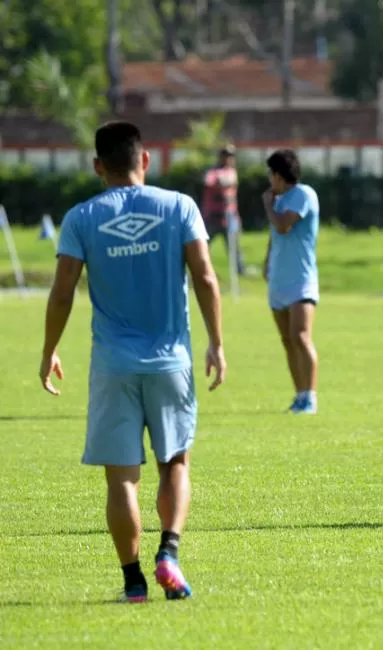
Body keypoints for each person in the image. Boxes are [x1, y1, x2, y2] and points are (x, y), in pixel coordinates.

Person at [39, 120, 227, 601]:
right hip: (171, 363)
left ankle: (134, 584)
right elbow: (205, 277)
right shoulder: (180, 206)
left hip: (112, 365)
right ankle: (170, 552)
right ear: (145, 159)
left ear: (98, 166)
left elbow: (62, 293)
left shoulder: (81, 218)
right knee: (176, 462)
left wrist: (48, 351)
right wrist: (216, 343)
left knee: (121, 477)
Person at [261, 149, 320, 415]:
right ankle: (298, 396)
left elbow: (283, 225)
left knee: (301, 336)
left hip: (301, 280)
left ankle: (310, 397)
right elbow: (276, 235)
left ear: (277, 174)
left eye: (270, 174)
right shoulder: (280, 199)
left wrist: (267, 205)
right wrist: (267, 261)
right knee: (287, 340)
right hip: (279, 279)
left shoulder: (303, 195)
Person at [202, 144, 246, 276]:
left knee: (234, 246)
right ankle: (200, 269)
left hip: (229, 215)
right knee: (203, 244)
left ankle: (240, 271)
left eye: (231, 156)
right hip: (213, 216)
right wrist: (220, 182)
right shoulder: (213, 171)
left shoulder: (232, 171)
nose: (229, 159)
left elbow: (231, 184)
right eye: (226, 156)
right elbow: (208, 182)